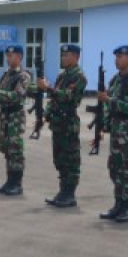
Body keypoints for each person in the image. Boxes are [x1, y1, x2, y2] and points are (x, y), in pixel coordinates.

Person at [98, 45, 128, 222]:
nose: (117, 59)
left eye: (121, 56)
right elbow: (107, 108)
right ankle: (118, 203)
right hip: (116, 133)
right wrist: (102, 127)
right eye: (116, 56)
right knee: (115, 169)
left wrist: (108, 100)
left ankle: (127, 207)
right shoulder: (114, 80)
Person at [43, 43, 88, 208]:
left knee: (71, 159)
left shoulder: (79, 77)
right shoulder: (62, 76)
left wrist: (48, 88)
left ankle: (70, 194)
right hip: (57, 123)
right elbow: (54, 98)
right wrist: (46, 114)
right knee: (60, 158)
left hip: (68, 123)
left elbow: (68, 96)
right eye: (62, 55)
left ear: (76, 57)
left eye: (67, 55)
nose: (63, 58)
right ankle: (62, 191)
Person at [0, 44, 31, 196]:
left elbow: (17, 95)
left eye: (11, 55)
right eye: (7, 55)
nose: (8, 58)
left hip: (15, 117)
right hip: (5, 116)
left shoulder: (24, 76)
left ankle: (17, 184)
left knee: (15, 150)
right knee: (7, 149)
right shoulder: (6, 75)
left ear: (19, 57)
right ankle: (9, 181)